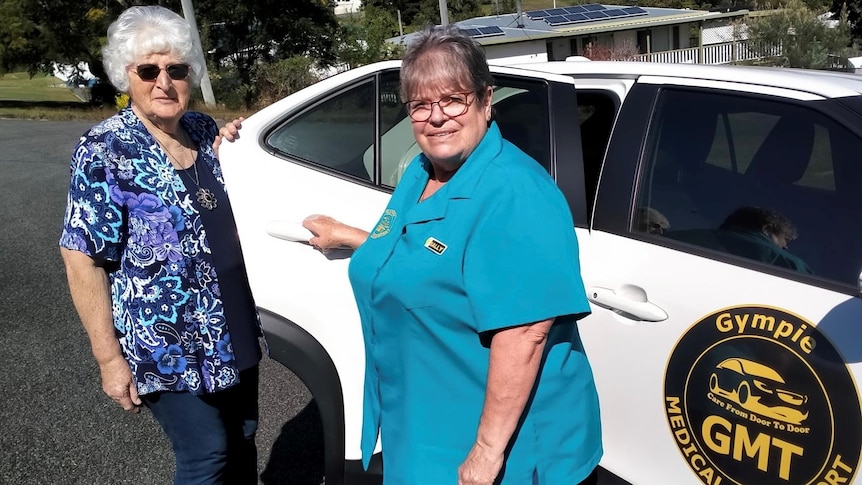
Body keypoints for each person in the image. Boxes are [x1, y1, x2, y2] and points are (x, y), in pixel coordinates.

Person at [302, 25, 602, 485]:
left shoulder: (515, 191)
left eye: (453, 99)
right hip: (427, 424)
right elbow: (430, 255)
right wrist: (353, 237)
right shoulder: (424, 173)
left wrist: (485, 455)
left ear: (485, 101)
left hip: (501, 449)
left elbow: (525, 333)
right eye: (420, 105)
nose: (436, 117)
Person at [58, 6, 262, 484]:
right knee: (206, 455)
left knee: (245, 437)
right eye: (148, 70)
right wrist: (109, 359)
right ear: (126, 76)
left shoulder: (207, 131)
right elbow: (80, 256)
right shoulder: (104, 149)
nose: (164, 82)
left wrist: (243, 142)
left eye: (176, 70)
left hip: (232, 324)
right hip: (164, 341)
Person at [718, 206, 812, 273]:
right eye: (785, 239)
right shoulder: (791, 265)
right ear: (767, 229)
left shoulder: (703, 239)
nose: (785, 247)